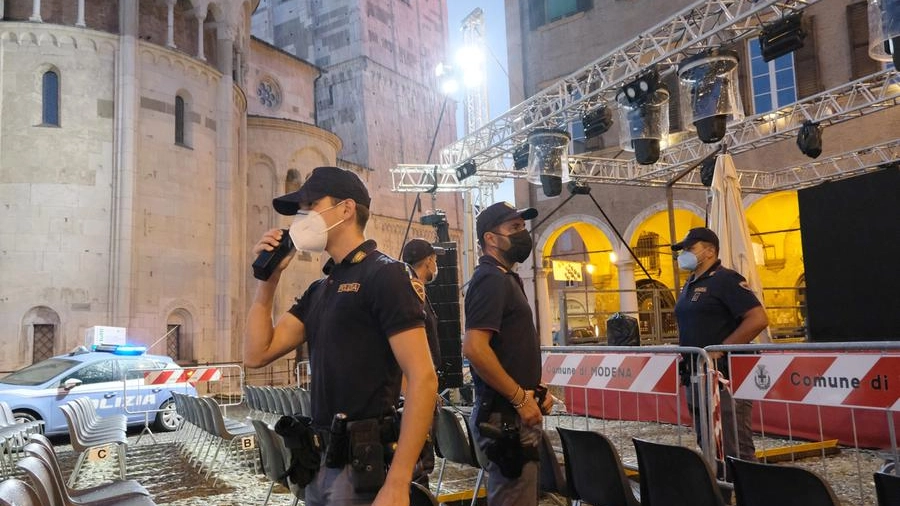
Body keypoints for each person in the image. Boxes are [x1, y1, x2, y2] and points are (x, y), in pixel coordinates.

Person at [244, 166, 438, 506]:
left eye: (310, 207)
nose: (301, 219)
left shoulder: (387, 275)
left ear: (346, 209)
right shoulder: (321, 289)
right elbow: (257, 353)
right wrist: (267, 281)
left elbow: (423, 378)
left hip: (366, 468)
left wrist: (398, 481)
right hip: (323, 463)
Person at [462, 202, 554, 506]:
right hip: (506, 418)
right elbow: (475, 348)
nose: (522, 233)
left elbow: (506, 350)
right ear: (491, 238)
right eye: (514, 228)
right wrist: (519, 397)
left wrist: (535, 392)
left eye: (522, 227)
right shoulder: (491, 279)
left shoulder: (503, 277)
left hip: (511, 414)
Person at [672, 227, 768, 465]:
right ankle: (719, 491)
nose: (683, 254)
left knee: (733, 442)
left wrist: (721, 348)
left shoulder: (727, 280)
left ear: (709, 251)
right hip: (695, 373)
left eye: (689, 248)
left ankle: (749, 491)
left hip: (724, 375)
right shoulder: (690, 283)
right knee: (707, 441)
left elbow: (757, 319)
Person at [400, 238, 445, 487]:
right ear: (428, 260)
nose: (435, 264)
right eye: (435, 259)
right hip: (417, 389)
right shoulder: (412, 290)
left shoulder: (413, 290)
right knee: (420, 464)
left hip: (421, 386)